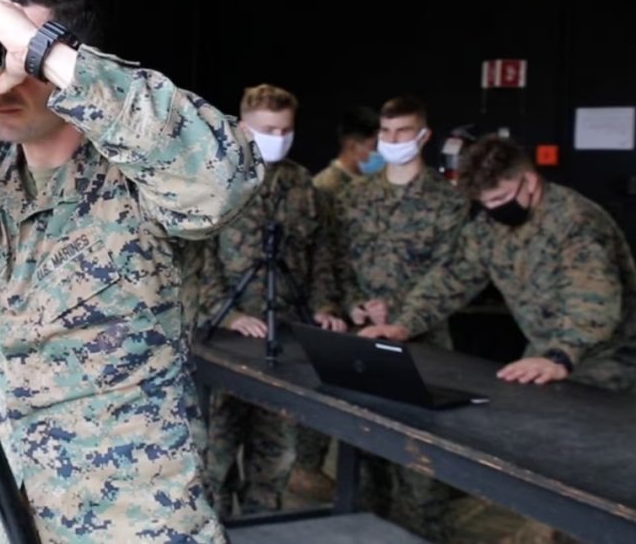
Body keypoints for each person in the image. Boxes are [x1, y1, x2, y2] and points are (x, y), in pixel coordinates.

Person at [0, 0, 264, 543]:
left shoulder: (139, 173)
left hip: (136, 510)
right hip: (19, 497)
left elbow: (220, 181)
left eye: (18, 57)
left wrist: (41, 48)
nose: (2, 81)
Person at [360, 134, 636, 390]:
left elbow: (592, 300)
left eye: (501, 198)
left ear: (530, 181)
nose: (494, 209)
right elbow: (451, 278)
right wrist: (405, 324)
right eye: (486, 202)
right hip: (546, 352)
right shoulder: (489, 228)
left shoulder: (576, 222)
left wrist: (560, 356)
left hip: (608, 357)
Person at [200, 83, 343, 517]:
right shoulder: (216, 178)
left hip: (285, 340)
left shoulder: (303, 186)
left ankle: (262, 525)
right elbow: (198, 257)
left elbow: (321, 255)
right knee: (215, 456)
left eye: (285, 130)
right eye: (268, 129)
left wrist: (325, 306)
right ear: (244, 127)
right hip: (224, 338)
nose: (278, 137)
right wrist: (229, 314)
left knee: (275, 456)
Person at [334, 94, 469, 542]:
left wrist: (400, 314)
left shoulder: (448, 202)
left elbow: (451, 272)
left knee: (422, 469)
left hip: (423, 347)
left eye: (403, 132)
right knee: (363, 462)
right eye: (386, 132)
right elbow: (338, 263)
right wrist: (354, 305)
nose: (393, 140)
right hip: (362, 343)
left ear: (423, 136)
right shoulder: (354, 197)